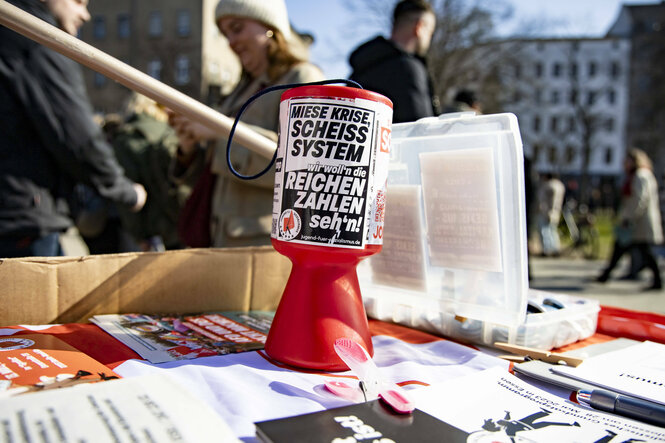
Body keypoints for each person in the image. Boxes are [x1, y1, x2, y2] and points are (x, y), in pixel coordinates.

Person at [169, 0, 324, 248]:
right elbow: (217, 172)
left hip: (262, 245)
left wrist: (220, 133)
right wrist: (190, 148)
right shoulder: (238, 91)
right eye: (225, 33)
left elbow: (304, 168)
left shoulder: (303, 78)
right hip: (221, 239)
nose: (231, 41)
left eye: (237, 28)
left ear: (270, 26)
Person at [0, 0, 146, 258]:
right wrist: (126, 192)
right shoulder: (36, 40)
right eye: (78, 1)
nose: (86, 15)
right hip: (19, 218)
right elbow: (78, 138)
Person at [348, 0, 438, 123]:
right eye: (430, 32)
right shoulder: (410, 69)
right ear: (419, 27)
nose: (429, 38)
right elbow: (423, 130)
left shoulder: (363, 65)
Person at [597, 148, 663, 290]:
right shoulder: (637, 175)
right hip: (635, 220)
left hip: (638, 221)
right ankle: (605, 275)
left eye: (627, 161)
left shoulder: (641, 175)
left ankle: (657, 281)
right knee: (623, 247)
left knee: (642, 250)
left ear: (635, 161)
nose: (624, 163)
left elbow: (640, 199)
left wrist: (629, 218)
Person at [537, 173, 566, 257]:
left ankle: (546, 250)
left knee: (544, 231)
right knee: (553, 231)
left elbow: (543, 200)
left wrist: (546, 211)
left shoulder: (548, 186)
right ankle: (555, 248)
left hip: (546, 211)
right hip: (556, 211)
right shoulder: (560, 185)